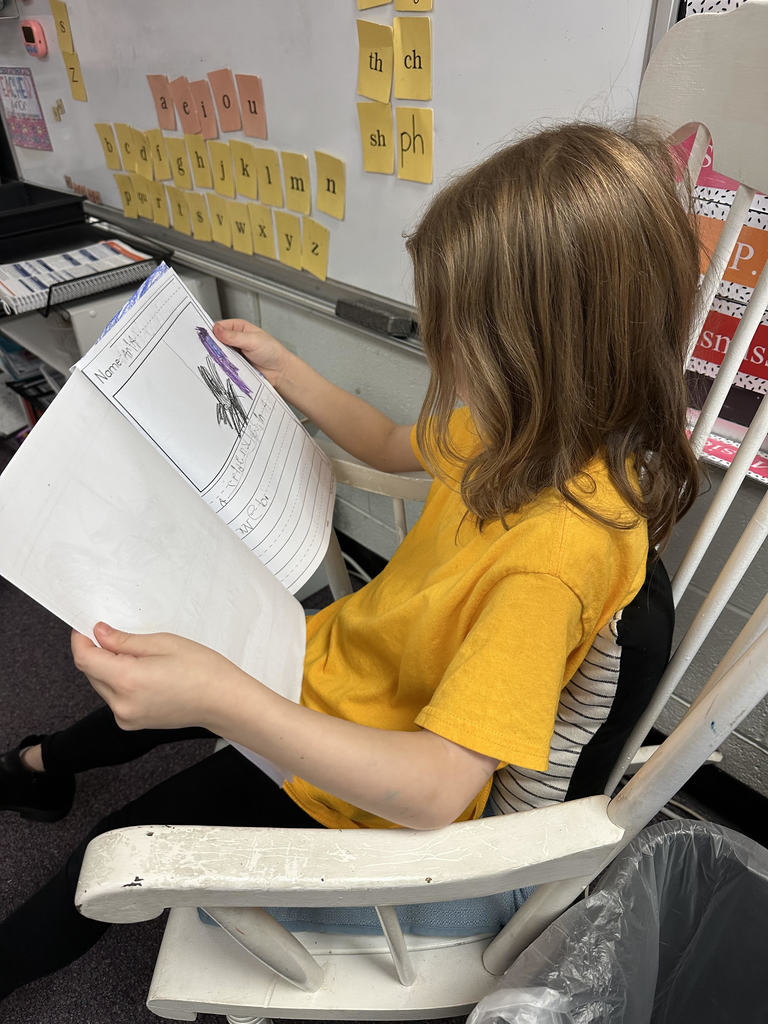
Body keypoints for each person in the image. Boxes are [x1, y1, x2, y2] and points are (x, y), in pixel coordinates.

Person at [0, 120, 700, 1000]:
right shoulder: (521, 422)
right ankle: (38, 769)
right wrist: (289, 371)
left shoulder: (557, 558)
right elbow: (394, 441)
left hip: (366, 785)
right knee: (138, 700)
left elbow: (438, 790)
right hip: (337, 664)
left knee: (110, 863)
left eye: (458, 339)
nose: (441, 357)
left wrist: (226, 701)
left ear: (544, 356)